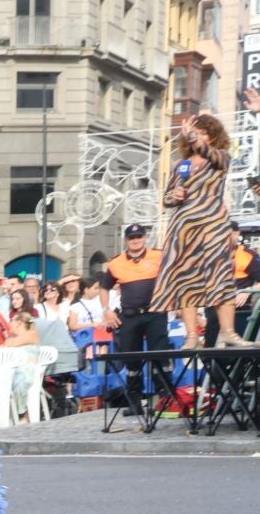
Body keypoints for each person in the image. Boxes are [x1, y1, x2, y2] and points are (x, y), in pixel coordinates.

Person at [151, 113, 236, 348]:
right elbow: (166, 198)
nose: (196, 137)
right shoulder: (182, 164)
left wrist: (194, 138)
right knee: (185, 278)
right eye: (193, 132)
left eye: (202, 132)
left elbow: (212, 154)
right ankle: (191, 336)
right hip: (183, 227)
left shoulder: (220, 158)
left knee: (220, 275)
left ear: (212, 136)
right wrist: (174, 196)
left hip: (212, 225)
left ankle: (228, 332)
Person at [100, 223, 163, 406]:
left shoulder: (158, 255)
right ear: (126, 240)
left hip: (155, 313)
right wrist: (107, 311)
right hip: (129, 315)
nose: (135, 241)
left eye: (139, 237)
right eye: (131, 238)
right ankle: (134, 401)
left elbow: (173, 276)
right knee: (131, 359)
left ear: (145, 238)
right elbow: (104, 288)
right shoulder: (116, 262)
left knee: (160, 356)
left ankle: (165, 398)